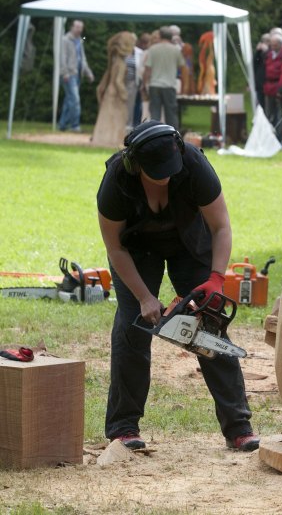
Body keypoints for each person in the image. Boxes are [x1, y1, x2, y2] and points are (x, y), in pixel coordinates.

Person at [97, 120, 260, 452]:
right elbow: (115, 248)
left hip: (190, 241)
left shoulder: (194, 164)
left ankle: (238, 427)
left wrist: (216, 278)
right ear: (135, 163)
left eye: (171, 169)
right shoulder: (116, 182)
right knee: (132, 326)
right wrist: (144, 298)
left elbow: (221, 226)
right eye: (158, 171)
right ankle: (124, 427)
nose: (167, 176)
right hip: (136, 248)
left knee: (210, 325)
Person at [142, 27, 185, 129]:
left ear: (160, 36)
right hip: (169, 85)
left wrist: (144, 84)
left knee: (155, 114)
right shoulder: (176, 50)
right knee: (171, 114)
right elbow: (182, 67)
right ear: (171, 37)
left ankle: (154, 135)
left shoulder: (153, 49)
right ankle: (174, 137)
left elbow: (148, 69)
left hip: (155, 85)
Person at [58, 20, 95, 132]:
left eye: (81, 27)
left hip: (78, 75)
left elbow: (82, 58)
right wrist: (65, 73)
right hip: (69, 75)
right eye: (77, 27)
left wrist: (88, 73)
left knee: (69, 100)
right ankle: (75, 126)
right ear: (72, 27)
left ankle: (62, 125)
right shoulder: (65, 40)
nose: (79, 29)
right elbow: (62, 58)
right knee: (75, 100)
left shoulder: (80, 40)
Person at [263, 31, 282, 141]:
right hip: (269, 87)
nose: (273, 46)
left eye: (275, 44)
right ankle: (268, 137)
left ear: (280, 44)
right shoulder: (268, 54)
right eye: (271, 44)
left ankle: (279, 137)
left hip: (279, 86)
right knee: (268, 114)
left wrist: (281, 89)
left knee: (279, 114)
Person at [253, 33, 271, 111]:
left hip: (267, 82)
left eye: (267, 41)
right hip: (259, 83)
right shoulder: (260, 52)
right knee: (259, 104)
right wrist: (257, 51)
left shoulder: (270, 52)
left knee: (267, 106)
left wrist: (266, 51)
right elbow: (255, 63)